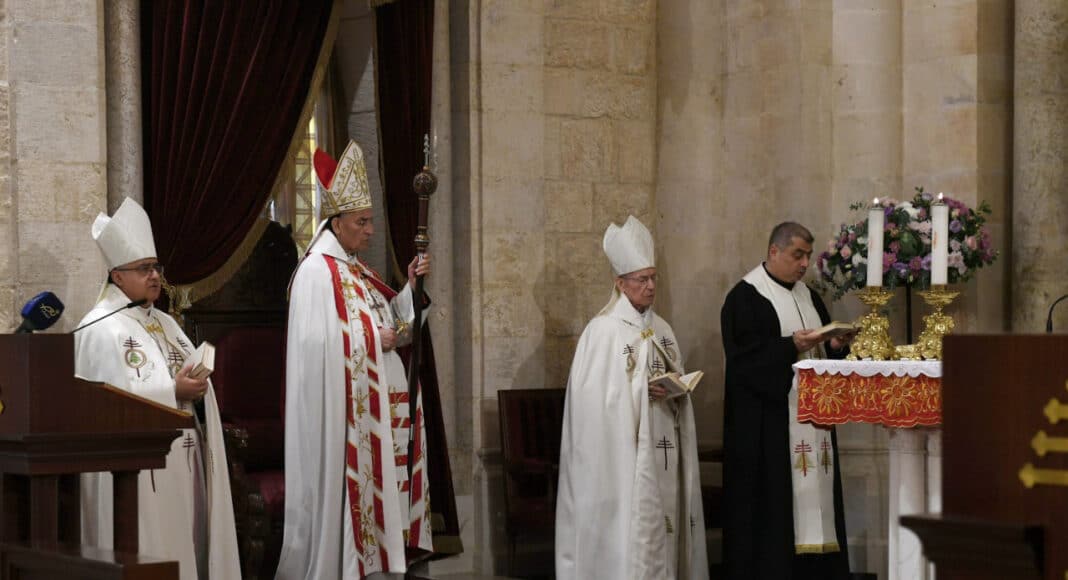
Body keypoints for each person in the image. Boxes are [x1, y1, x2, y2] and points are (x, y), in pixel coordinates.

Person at [275, 140, 433, 580]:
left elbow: (393, 324)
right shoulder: (315, 272)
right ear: (337, 222)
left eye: (369, 221)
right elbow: (316, 347)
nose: (369, 231)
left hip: (376, 411)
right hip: (343, 418)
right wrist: (371, 338)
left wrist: (411, 290)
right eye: (362, 222)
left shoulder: (355, 269)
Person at [74, 197, 240, 580]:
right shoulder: (98, 329)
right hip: (140, 480)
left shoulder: (165, 322)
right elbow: (103, 408)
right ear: (117, 276)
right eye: (144, 269)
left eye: (155, 267)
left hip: (186, 462)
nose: (154, 276)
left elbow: (187, 384)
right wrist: (172, 392)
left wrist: (198, 390)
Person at [556, 215, 708, 580]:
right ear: (620, 283)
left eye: (654, 277)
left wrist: (675, 390)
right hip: (621, 459)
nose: (651, 286)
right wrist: (642, 391)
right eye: (642, 279)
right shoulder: (602, 331)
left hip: (664, 445)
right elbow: (592, 405)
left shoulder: (663, 328)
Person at [720, 221, 854, 580]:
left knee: (820, 510)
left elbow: (823, 359)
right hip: (771, 429)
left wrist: (837, 347)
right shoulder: (745, 297)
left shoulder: (808, 296)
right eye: (798, 255)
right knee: (776, 519)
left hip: (814, 421)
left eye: (808, 256)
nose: (803, 264)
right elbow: (743, 365)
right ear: (773, 251)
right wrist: (789, 346)